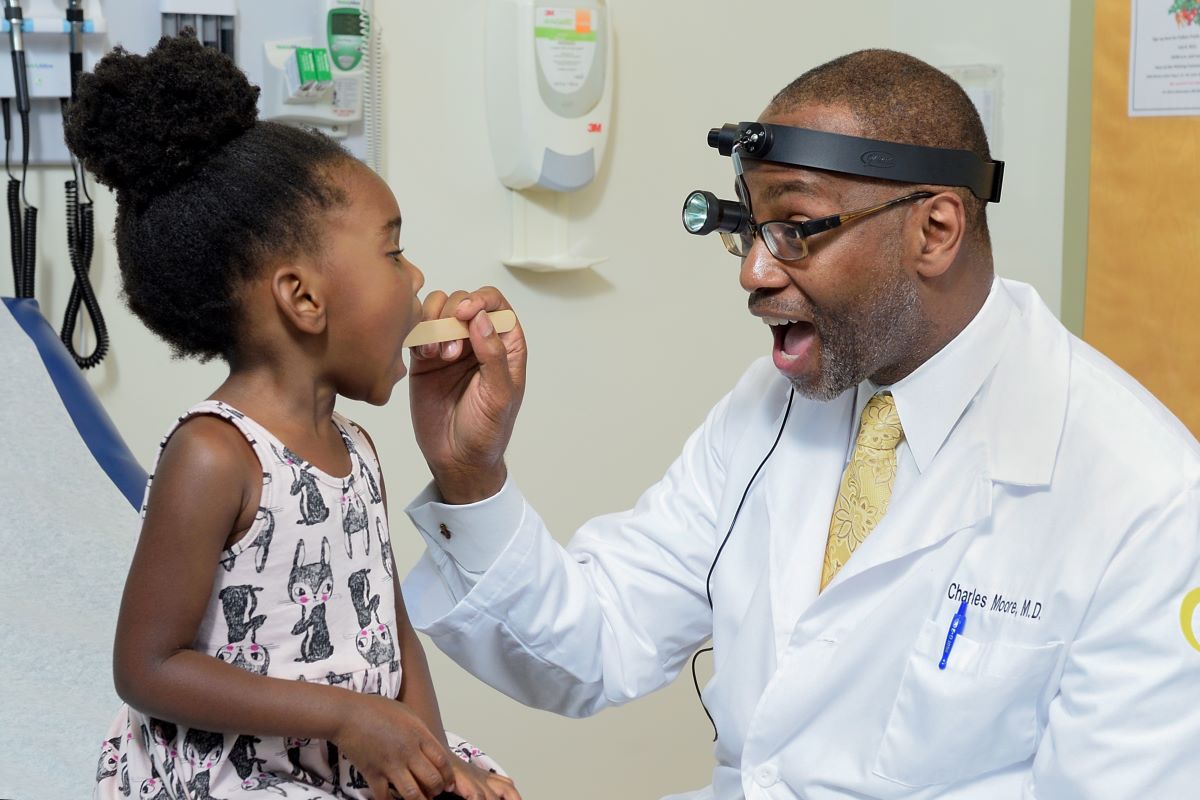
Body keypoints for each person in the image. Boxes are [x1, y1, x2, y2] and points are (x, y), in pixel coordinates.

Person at [401, 49, 1200, 798]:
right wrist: (472, 478)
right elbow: (599, 641)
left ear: (936, 231)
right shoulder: (769, 409)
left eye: (795, 228)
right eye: (747, 228)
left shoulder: (1143, 496)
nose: (754, 272)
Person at [66, 34, 520, 800]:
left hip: (349, 755)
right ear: (303, 298)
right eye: (393, 251)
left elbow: (392, 634)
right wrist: (345, 717)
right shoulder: (214, 456)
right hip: (241, 773)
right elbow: (147, 666)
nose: (416, 279)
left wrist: (438, 767)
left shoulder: (359, 449)